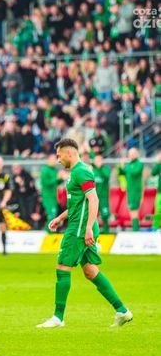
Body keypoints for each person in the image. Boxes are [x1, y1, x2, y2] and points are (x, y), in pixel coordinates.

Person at [37, 138, 132, 329]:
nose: (58, 160)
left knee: (62, 266)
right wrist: (60, 218)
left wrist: (88, 228)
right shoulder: (76, 172)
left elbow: (93, 200)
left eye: (59, 155)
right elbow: (77, 203)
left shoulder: (81, 171)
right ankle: (122, 310)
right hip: (79, 224)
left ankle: (58, 317)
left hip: (79, 228)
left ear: (69, 152)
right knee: (90, 271)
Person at [118, 148, 144, 231]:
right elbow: (121, 172)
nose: (131, 155)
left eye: (133, 153)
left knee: (134, 210)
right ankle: (135, 229)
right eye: (130, 154)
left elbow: (135, 172)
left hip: (136, 191)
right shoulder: (129, 164)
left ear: (137, 154)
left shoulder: (139, 164)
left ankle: (135, 230)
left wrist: (124, 166)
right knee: (131, 210)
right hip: (129, 191)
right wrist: (121, 165)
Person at [40, 154, 64, 233]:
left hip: (54, 197)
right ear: (48, 160)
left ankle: (51, 232)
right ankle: (48, 232)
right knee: (51, 215)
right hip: (47, 197)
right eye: (53, 159)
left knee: (55, 215)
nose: (54, 161)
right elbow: (46, 183)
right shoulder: (45, 170)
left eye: (55, 159)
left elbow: (56, 183)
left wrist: (61, 178)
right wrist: (57, 178)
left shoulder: (55, 170)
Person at [92, 154, 112, 234]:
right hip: (93, 198)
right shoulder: (92, 170)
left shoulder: (106, 169)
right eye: (96, 160)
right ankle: (93, 234)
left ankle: (106, 232)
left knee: (105, 215)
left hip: (103, 197)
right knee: (92, 216)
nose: (97, 162)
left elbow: (107, 176)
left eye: (99, 160)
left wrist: (100, 168)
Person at [152, 152, 161, 230]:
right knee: (158, 210)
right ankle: (156, 226)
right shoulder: (159, 165)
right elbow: (153, 173)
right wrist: (158, 162)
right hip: (159, 192)